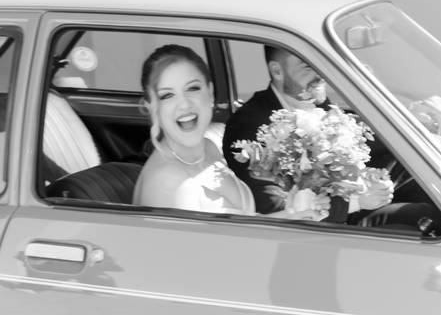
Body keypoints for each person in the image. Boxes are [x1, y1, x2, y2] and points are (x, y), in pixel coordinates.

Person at [223, 46, 440, 231]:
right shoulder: (252, 126)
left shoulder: (316, 103)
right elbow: (276, 206)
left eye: (321, 63)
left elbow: (361, 146)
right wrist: (357, 200)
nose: (320, 73)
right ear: (277, 71)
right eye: (308, 66)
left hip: (352, 202)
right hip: (321, 230)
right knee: (421, 216)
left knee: (423, 173)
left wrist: (372, 176)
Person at [132, 44, 329, 220]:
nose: (184, 104)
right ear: (151, 107)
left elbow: (242, 227)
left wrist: (292, 211)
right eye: (167, 95)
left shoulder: (209, 148)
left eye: (193, 88)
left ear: (210, 93)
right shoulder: (168, 184)